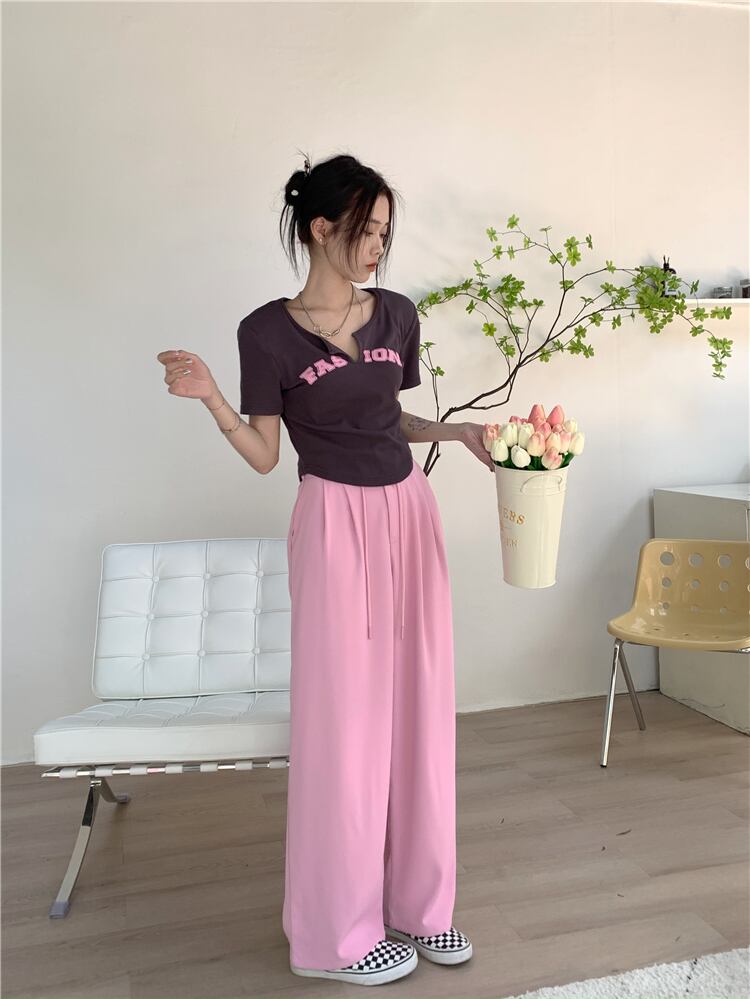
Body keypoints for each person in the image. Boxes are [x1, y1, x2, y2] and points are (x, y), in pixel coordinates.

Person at [156, 152, 493, 986]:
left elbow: (389, 418)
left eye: (384, 232)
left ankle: (420, 905)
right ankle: (335, 935)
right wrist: (213, 399)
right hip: (333, 518)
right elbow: (267, 454)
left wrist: (457, 433)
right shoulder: (265, 332)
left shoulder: (399, 316)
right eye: (365, 230)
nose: (378, 246)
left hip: (408, 511)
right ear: (319, 228)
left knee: (420, 710)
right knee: (344, 724)